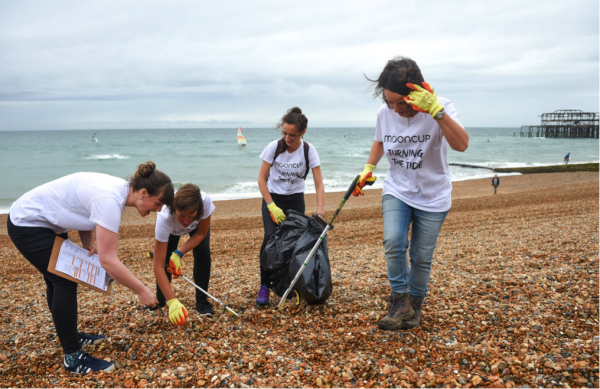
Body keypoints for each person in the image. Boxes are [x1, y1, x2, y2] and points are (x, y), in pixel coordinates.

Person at [7, 162, 174, 373]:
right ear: (143, 192)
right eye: (158, 203)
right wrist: (142, 290)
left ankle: (70, 336)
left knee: (56, 278)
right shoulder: (110, 200)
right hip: (28, 222)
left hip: (49, 221)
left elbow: (81, 207)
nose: (158, 210)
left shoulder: (118, 192)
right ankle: (73, 358)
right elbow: (108, 261)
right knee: (64, 280)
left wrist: (88, 242)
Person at [355, 56, 469, 331]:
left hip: (433, 195)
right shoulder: (387, 113)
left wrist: (437, 112)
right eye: (389, 102)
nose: (395, 109)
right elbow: (380, 140)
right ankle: (399, 300)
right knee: (394, 242)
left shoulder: (441, 107)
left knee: (421, 256)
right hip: (397, 189)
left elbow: (461, 145)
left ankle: (415, 307)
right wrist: (369, 167)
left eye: (401, 103)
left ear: (416, 93)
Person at [256, 107, 325, 306]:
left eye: (292, 135)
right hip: (273, 199)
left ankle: (289, 284)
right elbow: (261, 179)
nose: (287, 138)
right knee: (271, 239)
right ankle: (264, 286)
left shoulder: (308, 150)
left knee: (293, 242)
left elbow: (319, 183)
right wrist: (271, 206)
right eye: (284, 133)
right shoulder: (273, 147)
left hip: (295, 200)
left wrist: (320, 212)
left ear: (303, 133)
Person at [151, 183, 215, 324]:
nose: (186, 222)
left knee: (203, 251)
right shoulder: (165, 216)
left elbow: (201, 234)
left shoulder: (204, 202)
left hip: (196, 231)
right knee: (165, 261)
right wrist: (172, 301)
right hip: (171, 232)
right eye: (182, 216)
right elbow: (158, 265)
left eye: (191, 216)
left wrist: (178, 253)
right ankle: (161, 300)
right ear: (174, 210)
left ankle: (202, 302)